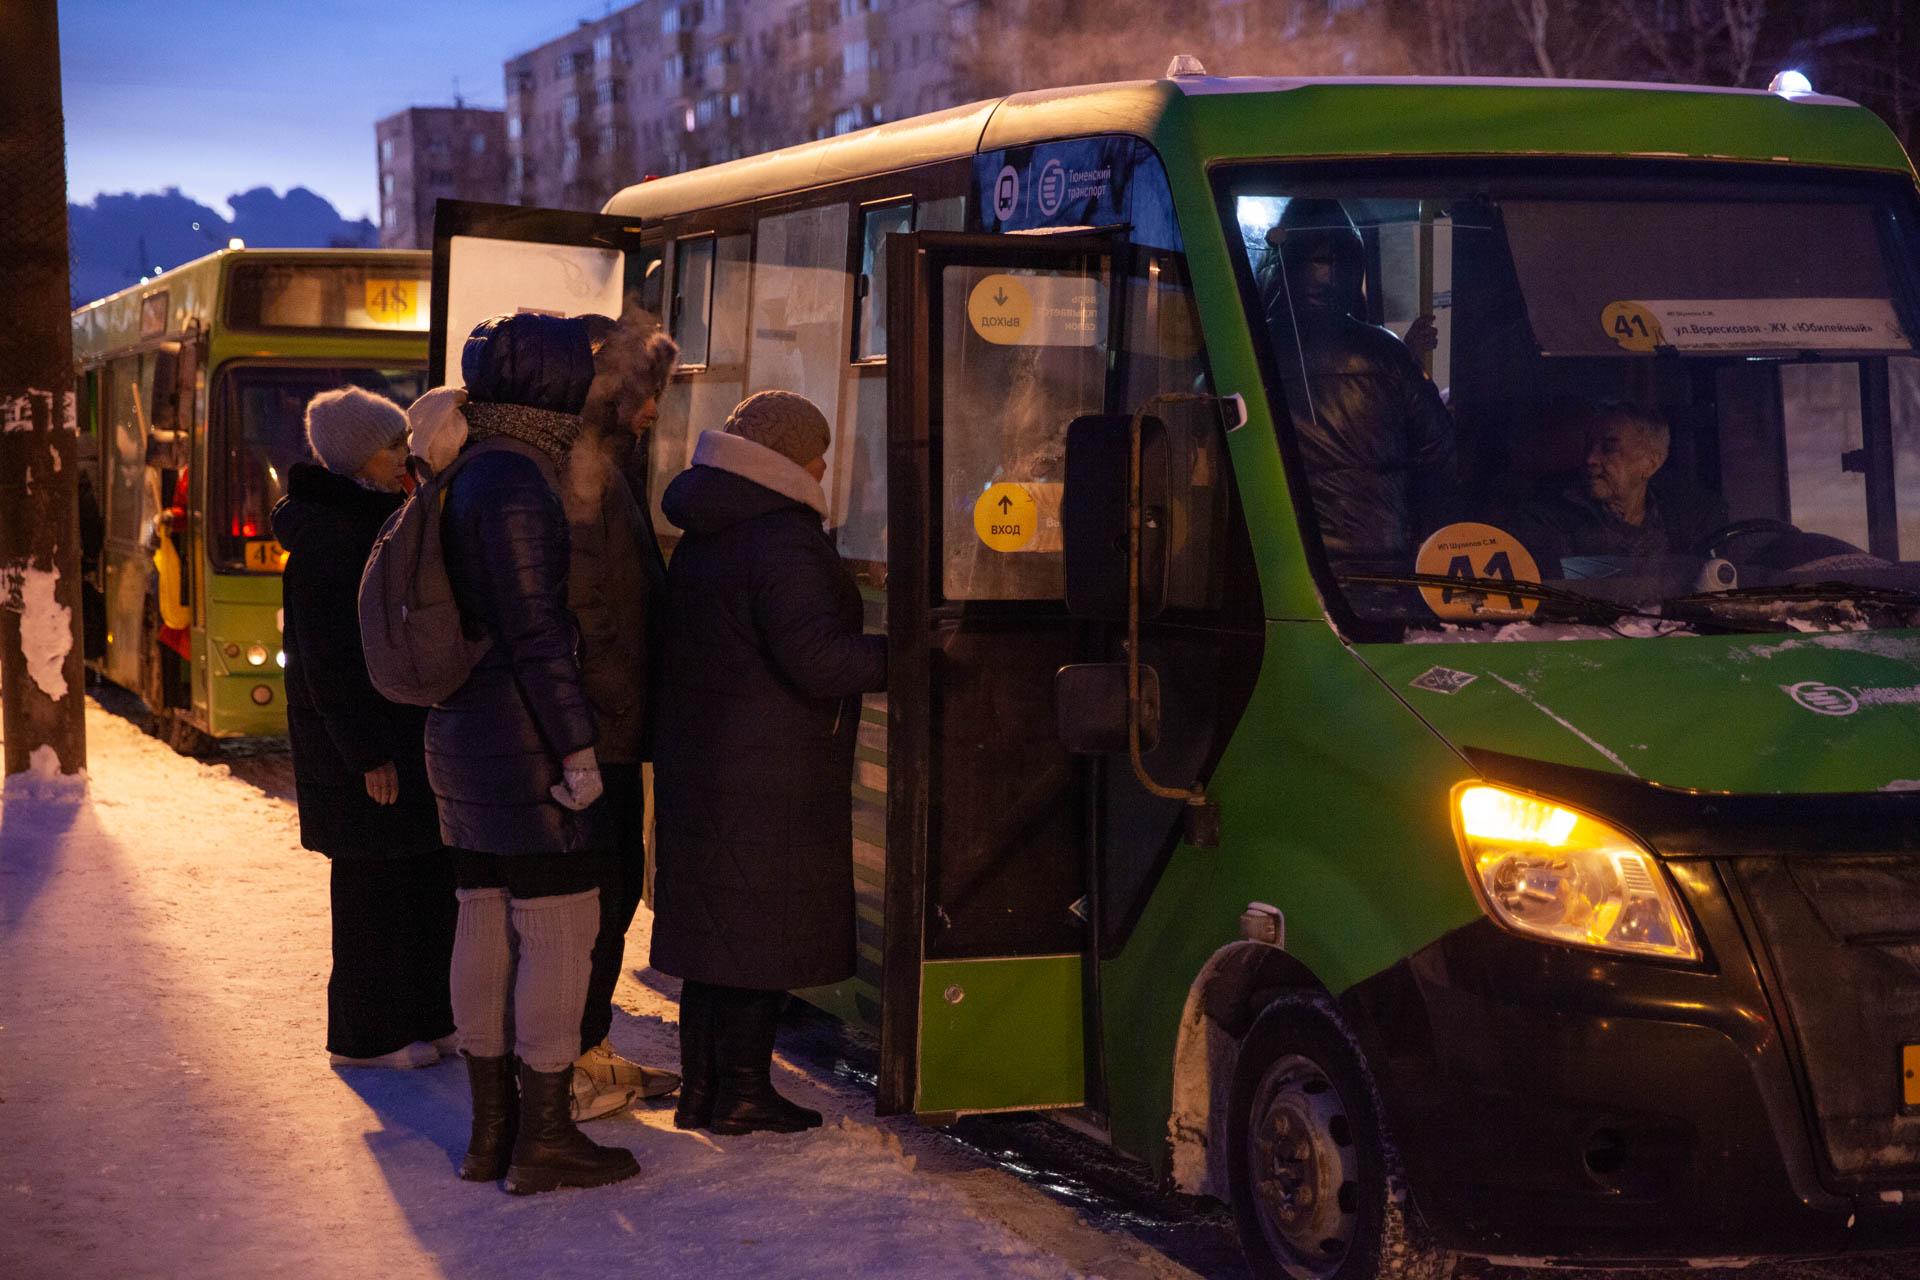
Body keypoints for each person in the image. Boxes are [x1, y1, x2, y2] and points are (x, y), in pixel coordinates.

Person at [429, 313, 639, 1195]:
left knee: (483, 916)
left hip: (466, 739)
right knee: (560, 931)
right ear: (552, 386)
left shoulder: (463, 467)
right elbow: (538, 632)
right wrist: (577, 747)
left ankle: (492, 1135)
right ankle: (543, 1138)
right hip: (521, 747)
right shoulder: (517, 480)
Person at [652, 390, 888, 1135]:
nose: (826, 464)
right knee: (758, 934)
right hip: (770, 766)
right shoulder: (779, 535)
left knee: (716, 941)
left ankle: (703, 1092)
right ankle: (745, 1092)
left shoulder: (713, 523)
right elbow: (817, 661)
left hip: (711, 755)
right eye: (817, 451)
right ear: (788, 457)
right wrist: (911, 652)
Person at [271, 386, 455, 1070]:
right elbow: (330, 662)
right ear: (360, 459)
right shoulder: (333, 538)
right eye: (391, 448)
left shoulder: (376, 520)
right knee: (372, 895)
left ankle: (426, 1018)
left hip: (398, 735)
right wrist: (368, 753)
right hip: (365, 751)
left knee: (419, 882)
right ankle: (368, 1037)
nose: (402, 458)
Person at [560, 313, 683, 1118]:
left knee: (611, 889)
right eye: (646, 395)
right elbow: (591, 608)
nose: (653, 412)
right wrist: (617, 702)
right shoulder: (584, 472)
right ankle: (575, 1060)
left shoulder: (609, 465)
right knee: (597, 894)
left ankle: (585, 1046)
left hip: (613, 722)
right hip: (599, 728)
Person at [1259, 198, 1456, 573]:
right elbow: (1441, 455)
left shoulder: (1249, 349)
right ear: (1354, 268)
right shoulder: (1387, 354)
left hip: (1281, 567)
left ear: (1283, 265)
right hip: (1382, 564)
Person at [1505, 401, 1726, 570]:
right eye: (1590, 446)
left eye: (1608, 448)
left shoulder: (1694, 515)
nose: (1590, 458)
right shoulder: (1546, 515)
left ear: (1650, 463)